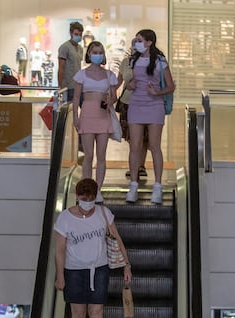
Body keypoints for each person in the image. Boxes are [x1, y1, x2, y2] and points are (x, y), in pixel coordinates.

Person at [54, 178, 132, 318]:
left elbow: (117, 238)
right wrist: (60, 275)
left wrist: (127, 265)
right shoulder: (65, 218)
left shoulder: (104, 214)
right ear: (77, 197)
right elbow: (60, 249)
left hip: (99, 268)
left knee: (96, 311)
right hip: (74, 270)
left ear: (95, 197)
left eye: (90, 199)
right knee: (78, 313)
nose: (87, 203)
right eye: (83, 198)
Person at [125, 29, 175, 205]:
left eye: (139, 40)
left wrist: (157, 92)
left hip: (155, 106)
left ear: (149, 42)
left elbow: (171, 86)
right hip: (136, 105)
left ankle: (158, 186)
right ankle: (133, 185)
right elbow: (130, 83)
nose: (136, 43)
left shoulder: (160, 61)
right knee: (135, 146)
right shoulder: (134, 59)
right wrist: (130, 85)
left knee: (154, 146)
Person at [73, 41, 118, 202]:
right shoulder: (81, 74)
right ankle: (86, 190)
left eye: (100, 52)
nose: (97, 55)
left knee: (101, 156)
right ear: (89, 54)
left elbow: (114, 95)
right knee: (88, 155)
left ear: (103, 55)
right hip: (87, 114)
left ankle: (98, 189)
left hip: (103, 116)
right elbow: (76, 97)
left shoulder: (109, 75)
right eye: (94, 52)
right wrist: (75, 117)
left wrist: (110, 101)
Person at [117, 38, 148, 179]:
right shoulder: (125, 62)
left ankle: (141, 165)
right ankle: (134, 165)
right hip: (127, 102)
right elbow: (118, 81)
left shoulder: (149, 61)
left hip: (144, 102)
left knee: (144, 136)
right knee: (131, 137)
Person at [57, 21, 84, 101]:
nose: (78, 36)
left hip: (78, 85)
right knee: (69, 111)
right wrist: (60, 87)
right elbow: (61, 68)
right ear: (71, 33)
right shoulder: (65, 47)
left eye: (80, 35)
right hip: (68, 87)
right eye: (76, 34)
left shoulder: (80, 48)